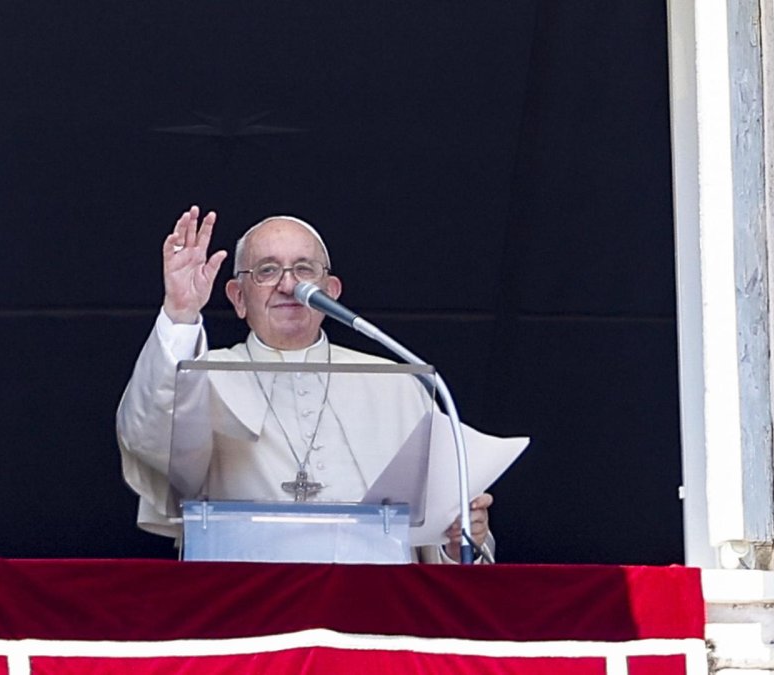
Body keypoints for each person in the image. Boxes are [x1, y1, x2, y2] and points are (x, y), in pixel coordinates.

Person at [116, 206, 493, 563]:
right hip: (248, 610)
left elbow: (444, 536)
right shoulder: (201, 377)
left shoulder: (397, 382)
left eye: (303, 269)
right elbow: (149, 437)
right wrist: (180, 314)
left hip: (373, 613)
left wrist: (461, 537)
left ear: (331, 290)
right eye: (266, 270)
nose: (288, 285)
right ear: (238, 298)